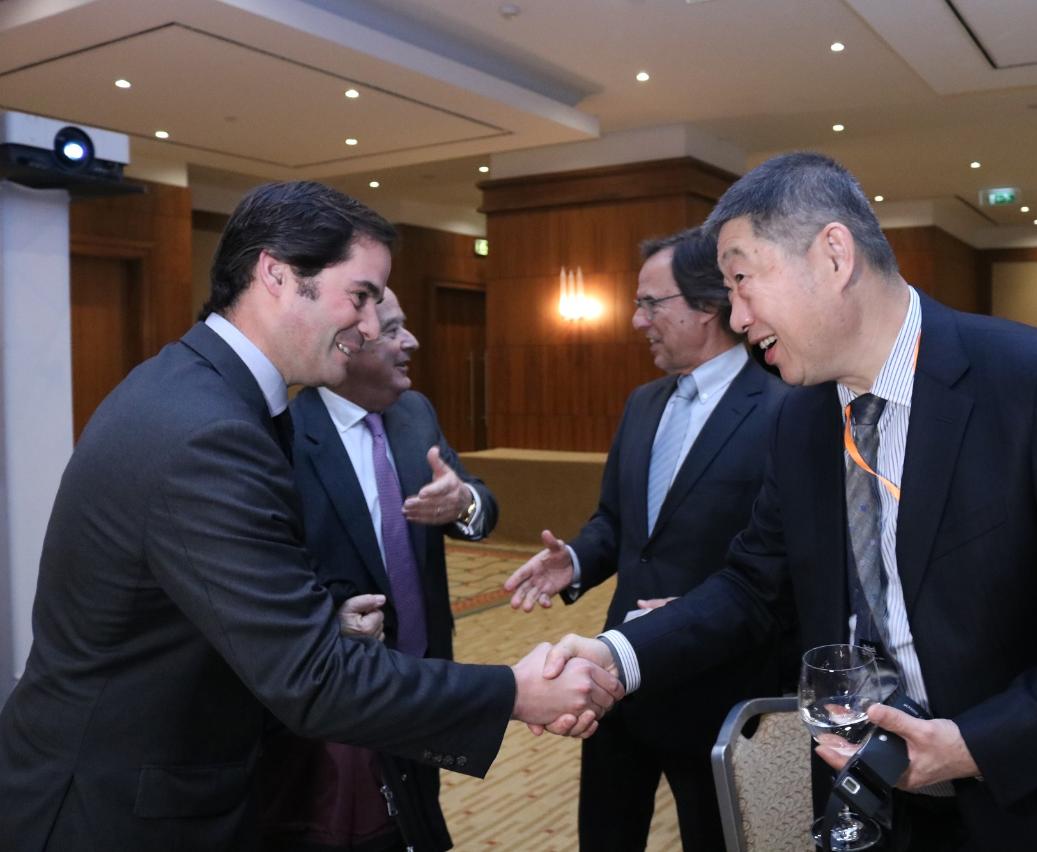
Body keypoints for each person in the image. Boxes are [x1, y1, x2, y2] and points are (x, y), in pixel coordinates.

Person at [542, 153, 1037, 851]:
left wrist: (978, 743)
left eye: (741, 281)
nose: (736, 317)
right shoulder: (800, 419)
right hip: (877, 802)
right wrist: (618, 655)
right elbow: (752, 587)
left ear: (834, 255)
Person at [0, 181, 621, 851]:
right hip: (113, 809)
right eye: (360, 296)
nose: (370, 327)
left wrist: (320, 618)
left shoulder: (202, 390)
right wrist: (514, 691)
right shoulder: (210, 430)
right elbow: (311, 678)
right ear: (276, 274)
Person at [503, 228, 791, 852]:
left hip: (718, 686)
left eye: (651, 303)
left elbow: (789, 561)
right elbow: (617, 521)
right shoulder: (643, 403)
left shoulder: (782, 407)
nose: (637, 321)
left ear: (708, 305)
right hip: (616, 683)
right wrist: (576, 559)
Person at [258, 287, 497, 852]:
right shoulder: (284, 436)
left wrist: (462, 502)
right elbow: (271, 572)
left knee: (420, 817)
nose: (411, 341)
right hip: (347, 697)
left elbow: (481, 506)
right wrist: (331, 618)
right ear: (347, 343)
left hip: (425, 678)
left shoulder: (415, 414)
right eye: (392, 331)